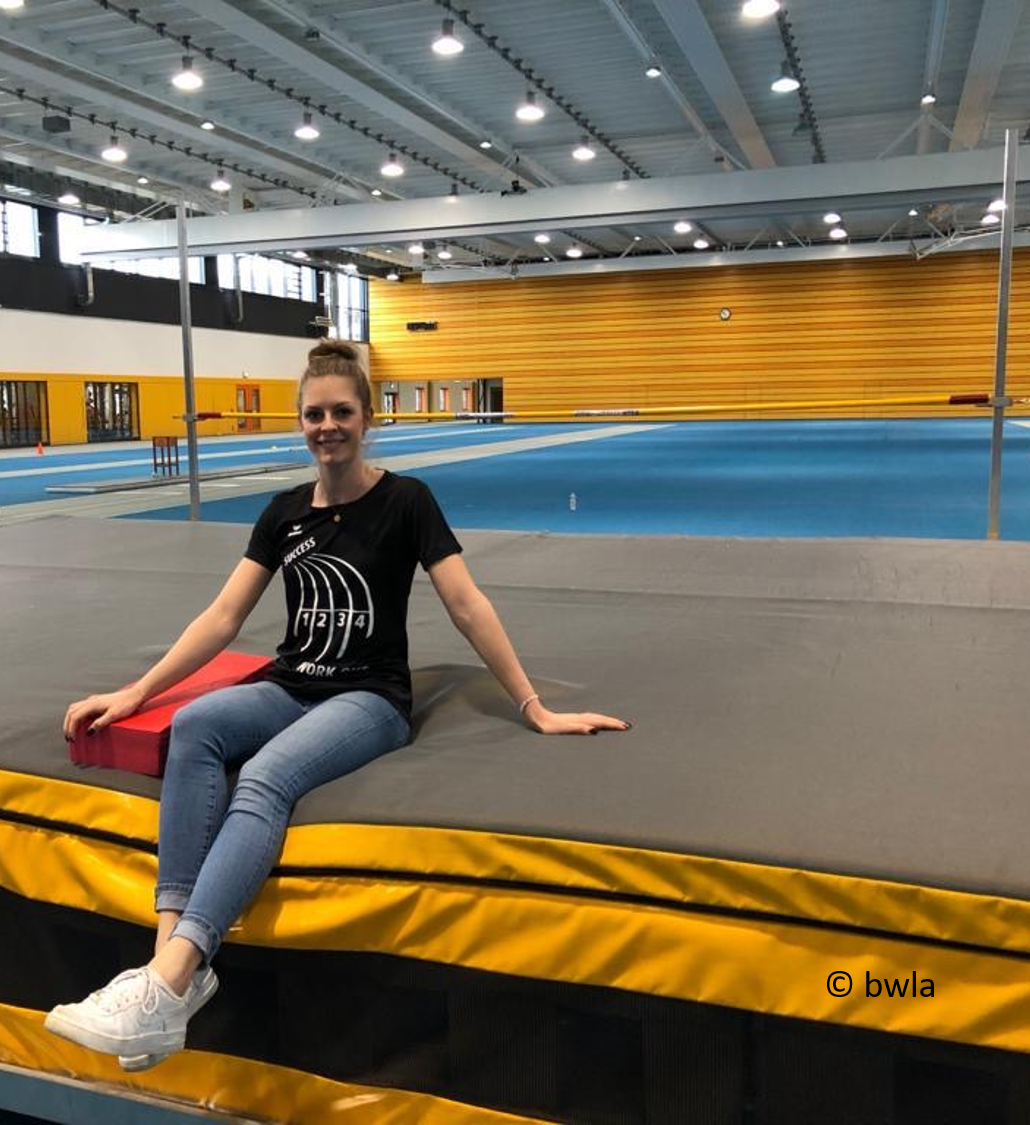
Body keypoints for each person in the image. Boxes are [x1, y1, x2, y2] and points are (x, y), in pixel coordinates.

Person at [45, 340, 628, 1071]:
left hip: (369, 697)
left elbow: (466, 604)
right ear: (300, 421)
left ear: (367, 417)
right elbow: (223, 616)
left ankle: (171, 976)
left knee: (265, 778)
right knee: (195, 725)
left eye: (342, 412)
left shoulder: (406, 501)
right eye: (315, 414)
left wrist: (534, 705)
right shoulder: (284, 513)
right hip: (291, 683)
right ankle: (168, 974)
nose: (328, 427)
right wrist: (136, 692)